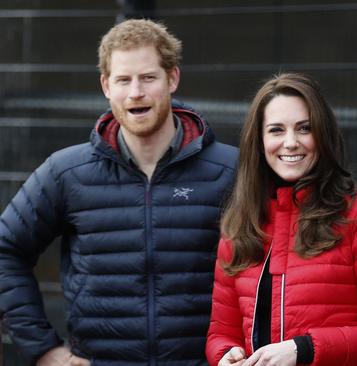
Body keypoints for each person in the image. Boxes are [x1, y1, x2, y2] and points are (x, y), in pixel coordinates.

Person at [0, 19, 237, 365]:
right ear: (105, 86)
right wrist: (43, 349)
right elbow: (6, 249)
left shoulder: (230, 169)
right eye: (123, 80)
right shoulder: (66, 171)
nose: (135, 92)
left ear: (172, 79)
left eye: (148, 77)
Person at [205, 73, 357, 366]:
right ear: (259, 140)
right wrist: (224, 354)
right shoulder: (239, 226)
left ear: (323, 134)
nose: (290, 142)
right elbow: (221, 331)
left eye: (304, 128)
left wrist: (303, 349)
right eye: (276, 130)